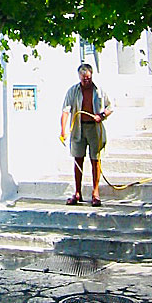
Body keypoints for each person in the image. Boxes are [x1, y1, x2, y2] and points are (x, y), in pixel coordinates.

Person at [60, 62, 112, 207]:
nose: (86, 81)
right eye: (83, 79)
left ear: (91, 76)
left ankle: (95, 193)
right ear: (79, 78)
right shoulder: (73, 91)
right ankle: (77, 192)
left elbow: (110, 106)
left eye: (88, 78)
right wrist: (63, 130)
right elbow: (65, 110)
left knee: (95, 159)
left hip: (95, 128)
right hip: (78, 128)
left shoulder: (99, 90)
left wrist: (101, 115)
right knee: (78, 159)